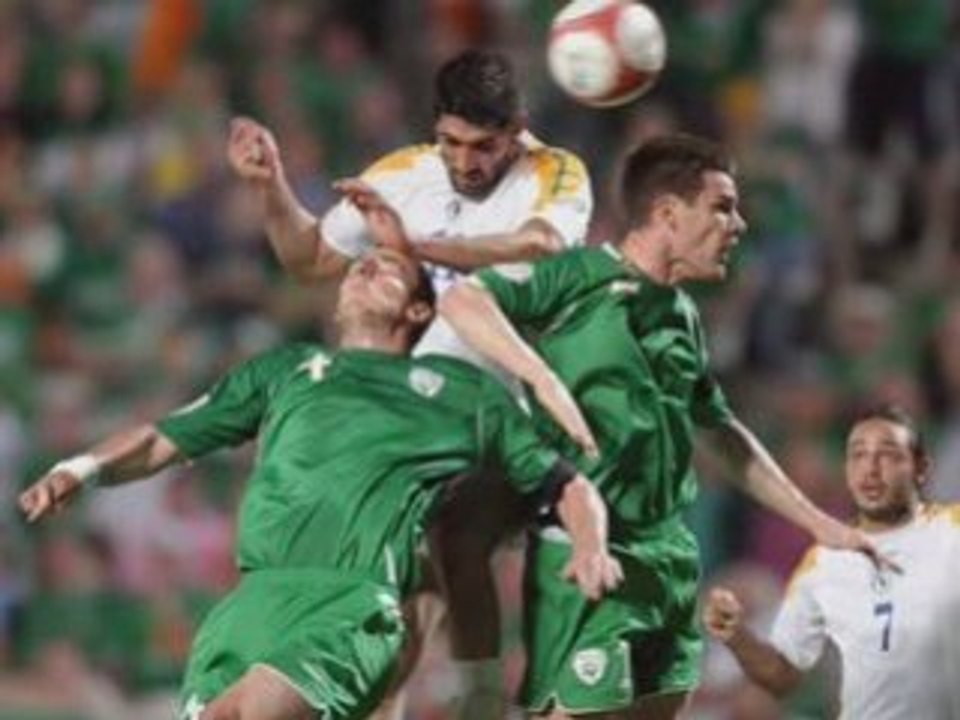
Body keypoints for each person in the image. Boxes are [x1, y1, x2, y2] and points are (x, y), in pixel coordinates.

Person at [19, 246, 623, 720]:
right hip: (249, 604)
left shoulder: (459, 394)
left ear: (419, 312)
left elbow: (565, 483)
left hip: (350, 604)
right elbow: (163, 438)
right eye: (359, 265)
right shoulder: (285, 371)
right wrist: (81, 468)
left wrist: (591, 545)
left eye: (386, 270)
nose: (364, 268)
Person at [437, 133, 886, 719]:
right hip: (590, 554)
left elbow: (719, 432)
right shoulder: (577, 276)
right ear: (668, 214)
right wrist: (541, 378)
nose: (739, 224)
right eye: (722, 207)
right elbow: (464, 300)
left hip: (668, 558)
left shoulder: (683, 315)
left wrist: (818, 522)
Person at [227, 48, 595, 716]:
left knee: (455, 533)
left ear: (517, 131)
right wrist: (271, 185)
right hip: (402, 421)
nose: (465, 162)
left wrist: (408, 246)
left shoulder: (554, 172)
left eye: (483, 146)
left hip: (507, 413)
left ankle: (482, 699)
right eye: (451, 142)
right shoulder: (406, 173)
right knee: (381, 597)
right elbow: (309, 259)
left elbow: (540, 244)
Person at [704, 405, 960, 719]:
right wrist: (738, 636)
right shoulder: (822, 564)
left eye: (888, 455)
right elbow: (781, 674)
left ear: (921, 468)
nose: (871, 468)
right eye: (859, 456)